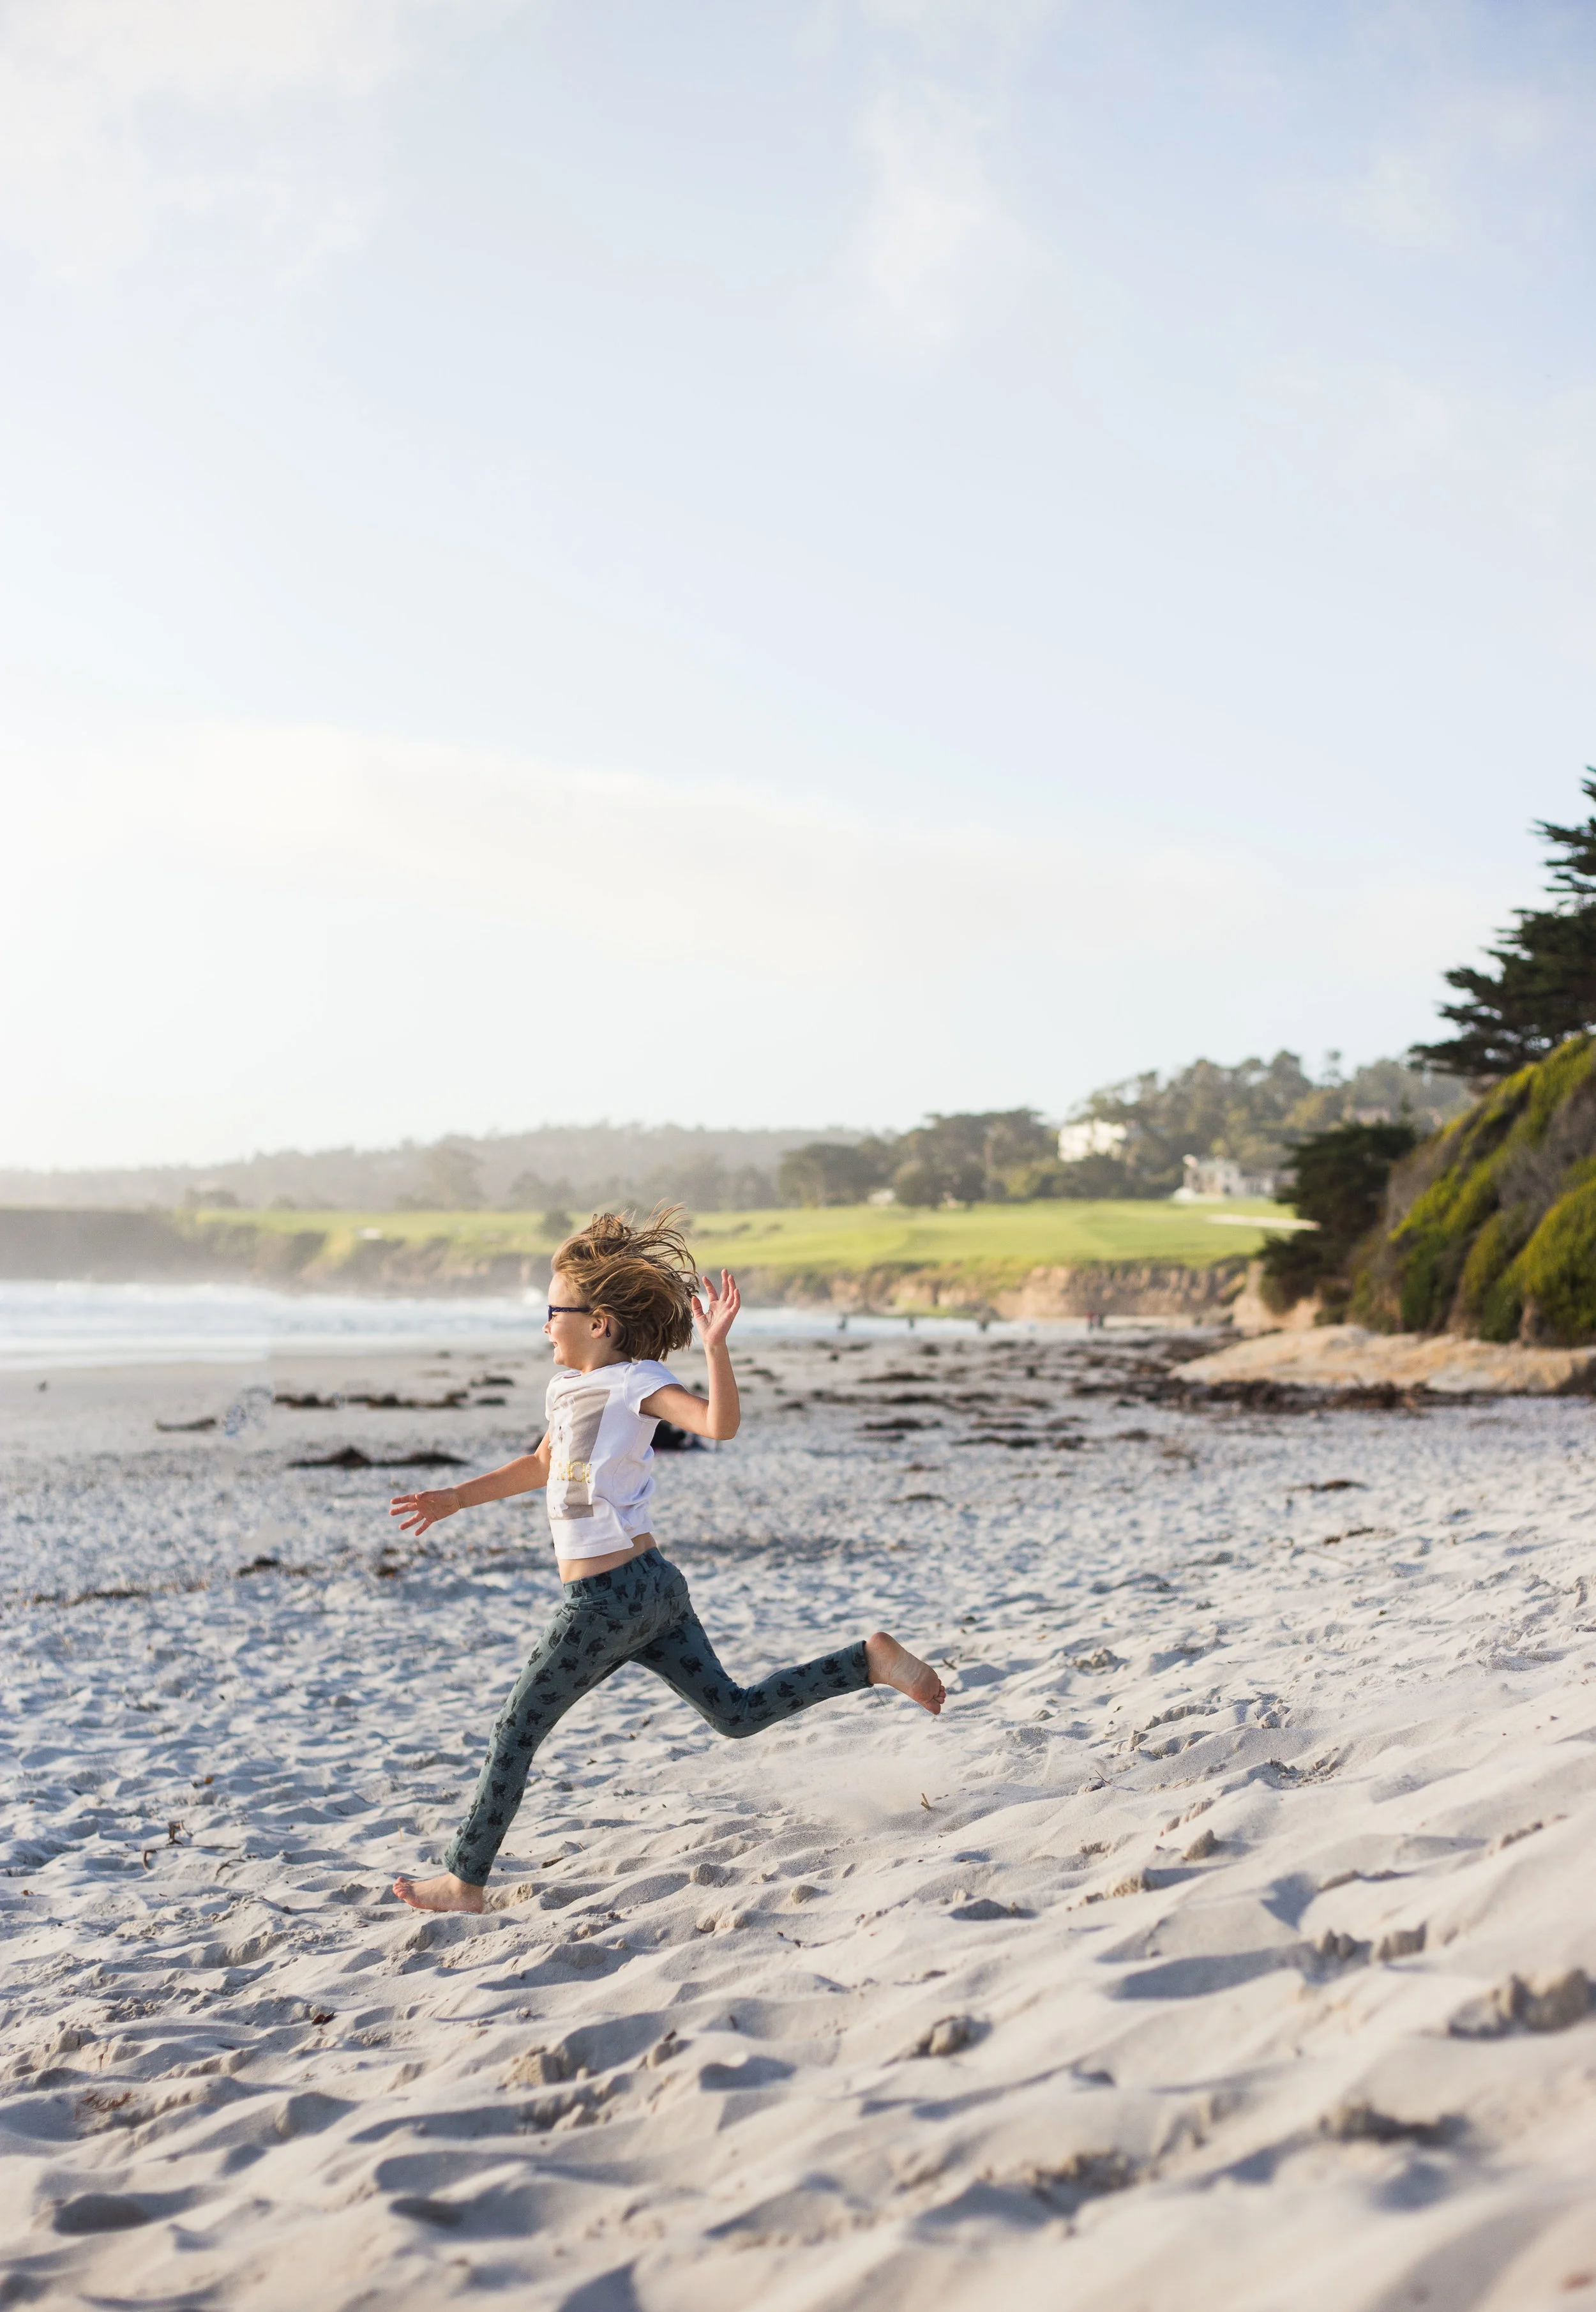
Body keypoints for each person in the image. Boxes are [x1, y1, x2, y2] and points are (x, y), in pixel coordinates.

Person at [388, 1211, 944, 1913]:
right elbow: (540, 1463)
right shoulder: (566, 1390)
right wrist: (455, 1498)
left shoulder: (635, 1381)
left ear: (599, 1323)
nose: (543, 1325)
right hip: (654, 1592)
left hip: (607, 1600)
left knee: (515, 1729)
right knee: (735, 1715)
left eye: (552, 1311)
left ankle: (465, 1879)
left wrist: (714, 1347)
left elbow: (718, 1424)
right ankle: (864, 1662)